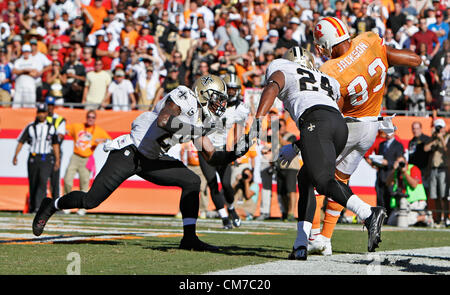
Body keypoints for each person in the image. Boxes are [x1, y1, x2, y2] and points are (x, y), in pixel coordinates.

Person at [32, 75, 253, 251]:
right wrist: (197, 131)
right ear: (203, 93)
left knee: (192, 181)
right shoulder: (184, 95)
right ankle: (52, 205)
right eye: (216, 97)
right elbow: (164, 120)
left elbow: (211, 156)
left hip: (154, 159)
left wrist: (235, 152)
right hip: (130, 152)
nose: (220, 103)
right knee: (91, 201)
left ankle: (189, 238)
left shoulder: (202, 118)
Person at [255, 46, 387, 261]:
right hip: (337, 126)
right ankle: (301, 243)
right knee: (305, 178)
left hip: (315, 122)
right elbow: (329, 114)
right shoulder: (326, 78)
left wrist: (258, 120)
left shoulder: (283, 68)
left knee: (322, 181)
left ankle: (368, 213)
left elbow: (272, 86)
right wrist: (299, 146)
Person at [308, 16, 421, 256]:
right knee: (341, 180)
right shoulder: (369, 40)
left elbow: (331, 109)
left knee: (315, 176)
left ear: (325, 42)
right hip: (371, 128)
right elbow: (414, 59)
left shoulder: (330, 69)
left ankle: (316, 235)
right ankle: (326, 239)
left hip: (348, 125)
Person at [197, 73, 250, 229]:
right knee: (212, 183)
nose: (233, 92)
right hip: (205, 148)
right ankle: (224, 217)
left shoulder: (240, 108)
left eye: (235, 89)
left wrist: (234, 152)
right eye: (230, 89)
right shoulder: (212, 102)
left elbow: (238, 134)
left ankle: (232, 208)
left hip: (222, 150)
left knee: (226, 184)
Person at [12, 103, 60, 213]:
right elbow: (21, 141)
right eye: (40, 112)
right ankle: (33, 206)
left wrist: (57, 159)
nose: (41, 115)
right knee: (33, 182)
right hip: (33, 158)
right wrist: (15, 155)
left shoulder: (51, 128)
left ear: (47, 113)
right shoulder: (30, 127)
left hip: (46, 158)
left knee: (43, 181)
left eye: (43, 112)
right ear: (37, 113)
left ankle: (39, 207)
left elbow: (55, 144)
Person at [63, 110, 111, 214]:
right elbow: (63, 129)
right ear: (86, 117)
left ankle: (81, 207)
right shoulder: (77, 126)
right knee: (67, 180)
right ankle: (66, 204)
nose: (90, 118)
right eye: (89, 116)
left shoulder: (98, 130)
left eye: (93, 117)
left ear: (95, 119)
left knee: (84, 183)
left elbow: (110, 141)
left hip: (87, 158)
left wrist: (102, 140)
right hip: (75, 156)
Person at [385, 155, 432, 227]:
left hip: (415, 202)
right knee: (391, 222)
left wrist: (404, 172)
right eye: (398, 162)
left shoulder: (413, 168)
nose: (400, 165)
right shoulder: (396, 171)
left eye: (402, 162)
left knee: (405, 221)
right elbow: (387, 183)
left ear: (406, 162)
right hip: (402, 202)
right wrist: (393, 170)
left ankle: (424, 217)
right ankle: (419, 217)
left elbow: (414, 184)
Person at [424, 118, 450, 227]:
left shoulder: (448, 138)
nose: (439, 129)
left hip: (444, 168)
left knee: (444, 196)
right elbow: (426, 149)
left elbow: (447, 151)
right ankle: (438, 219)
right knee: (436, 196)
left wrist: (442, 139)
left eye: (440, 127)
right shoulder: (433, 138)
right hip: (434, 169)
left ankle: (446, 219)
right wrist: (435, 139)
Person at [277, 118, 300, 222]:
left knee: (291, 190)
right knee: (282, 192)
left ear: (285, 126)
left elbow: (288, 145)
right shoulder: (276, 138)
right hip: (280, 166)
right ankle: (285, 212)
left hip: (291, 166)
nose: (279, 128)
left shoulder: (291, 136)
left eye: (280, 126)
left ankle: (291, 213)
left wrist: (277, 136)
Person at [45, 96, 66, 200]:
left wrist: (49, 137)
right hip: (43, 151)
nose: (49, 107)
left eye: (51, 105)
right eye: (48, 105)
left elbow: (60, 136)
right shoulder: (41, 117)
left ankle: (55, 203)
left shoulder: (59, 119)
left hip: (54, 152)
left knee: (55, 179)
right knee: (42, 178)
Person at [408, 121, 431, 194]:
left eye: (417, 128)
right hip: (414, 172)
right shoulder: (411, 141)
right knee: (415, 192)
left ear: (421, 129)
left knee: (424, 191)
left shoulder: (427, 139)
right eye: (413, 129)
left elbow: (430, 156)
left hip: (424, 171)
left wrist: (428, 170)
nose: (415, 131)